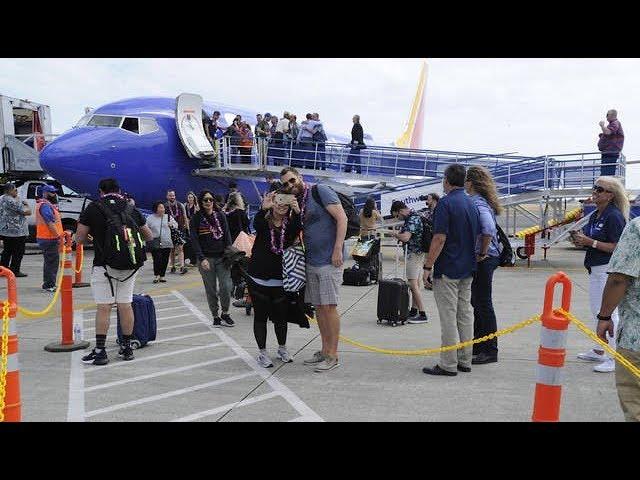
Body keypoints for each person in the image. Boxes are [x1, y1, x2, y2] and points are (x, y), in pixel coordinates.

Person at [76, 178, 153, 365]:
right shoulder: (130, 208)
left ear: (100, 191)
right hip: (129, 266)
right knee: (125, 305)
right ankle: (126, 348)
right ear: (119, 190)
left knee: (104, 307)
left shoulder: (93, 208)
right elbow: (149, 235)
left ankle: (101, 351)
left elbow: (79, 239)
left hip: (104, 265)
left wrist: (95, 239)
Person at [280, 167, 347, 372]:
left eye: (292, 180)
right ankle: (325, 350)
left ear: (299, 177)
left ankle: (333, 355)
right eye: (286, 184)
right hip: (312, 261)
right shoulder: (298, 202)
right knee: (318, 308)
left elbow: (341, 218)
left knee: (329, 306)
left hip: (329, 260)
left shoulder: (321, 190)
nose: (290, 186)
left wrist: (337, 249)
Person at [422, 164, 480, 376]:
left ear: (447, 180)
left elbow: (439, 238)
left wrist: (428, 265)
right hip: (467, 267)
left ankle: (448, 363)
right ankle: (465, 359)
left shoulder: (445, 204)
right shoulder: (472, 203)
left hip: (448, 268)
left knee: (448, 317)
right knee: (464, 315)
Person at [572, 176, 629, 373]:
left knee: (608, 312)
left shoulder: (613, 216)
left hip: (606, 269)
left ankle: (615, 356)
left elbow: (617, 247)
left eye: (599, 189)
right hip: (596, 268)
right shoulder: (597, 214)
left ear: (610, 195)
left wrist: (590, 242)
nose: (594, 192)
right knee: (597, 309)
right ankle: (599, 349)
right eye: (594, 188)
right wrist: (582, 241)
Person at [248, 191, 302, 367]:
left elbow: (299, 229)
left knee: (281, 317)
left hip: (281, 279)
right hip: (259, 278)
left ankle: (282, 348)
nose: (281, 205)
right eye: (278, 201)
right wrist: (263, 208)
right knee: (260, 317)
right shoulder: (264, 221)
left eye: (285, 203)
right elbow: (256, 224)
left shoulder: (291, 224)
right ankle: (262, 352)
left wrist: (298, 212)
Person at [596, 214, 640, 421]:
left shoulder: (637, 227)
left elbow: (619, 278)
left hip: (636, 336)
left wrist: (604, 316)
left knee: (635, 404)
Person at [465, 166, 503, 365]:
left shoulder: (477, 202)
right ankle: (480, 344)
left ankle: (489, 349)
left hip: (485, 259)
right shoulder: (483, 201)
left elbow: (487, 228)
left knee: (483, 303)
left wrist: (482, 252)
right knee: (478, 302)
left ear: (469, 183)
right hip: (489, 257)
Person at [190, 190, 235, 327]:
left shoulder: (220, 215)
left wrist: (230, 253)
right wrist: (201, 258)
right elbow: (194, 240)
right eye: (205, 200)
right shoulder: (196, 218)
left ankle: (225, 313)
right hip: (206, 259)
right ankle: (215, 315)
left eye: (210, 199)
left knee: (226, 287)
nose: (208, 202)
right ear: (201, 202)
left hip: (222, 257)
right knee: (210, 289)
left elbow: (227, 235)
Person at [390, 200, 428, 324]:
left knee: (412, 283)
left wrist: (395, 234)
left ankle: (422, 313)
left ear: (400, 211)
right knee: (416, 283)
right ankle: (414, 310)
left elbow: (406, 237)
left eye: (397, 215)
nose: (398, 218)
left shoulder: (412, 219)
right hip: (419, 253)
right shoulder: (415, 216)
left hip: (413, 254)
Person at [35, 184, 64, 292]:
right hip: (49, 238)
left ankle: (48, 283)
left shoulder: (46, 205)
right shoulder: (45, 206)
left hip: (47, 237)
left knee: (49, 262)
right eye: (52, 192)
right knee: (51, 263)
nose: (54, 194)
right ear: (46, 193)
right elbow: (50, 223)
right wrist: (58, 236)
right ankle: (49, 285)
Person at [0, 183, 31, 277]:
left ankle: (3, 269)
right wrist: (25, 204)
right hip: (16, 231)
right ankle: (15, 270)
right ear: (9, 191)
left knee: (7, 251)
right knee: (18, 252)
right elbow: (27, 212)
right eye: (15, 190)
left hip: (6, 230)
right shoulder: (11, 201)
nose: (16, 192)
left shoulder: (1, 198)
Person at [146, 201, 178, 283]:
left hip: (166, 241)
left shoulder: (168, 217)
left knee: (165, 259)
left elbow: (176, 225)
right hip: (155, 242)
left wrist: (172, 224)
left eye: (163, 207)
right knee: (157, 259)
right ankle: (157, 275)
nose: (162, 209)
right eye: (160, 207)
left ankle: (162, 276)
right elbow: (146, 228)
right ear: (156, 208)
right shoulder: (150, 218)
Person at [165, 190, 188, 275]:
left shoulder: (180, 205)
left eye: (173, 195)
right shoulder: (165, 206)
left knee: (180, 248)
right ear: (167, 196)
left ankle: (182, 267)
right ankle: (172, 266)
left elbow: (185, 216)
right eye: (170, 195)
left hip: (180, 229)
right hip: (169, 230)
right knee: (172, 249)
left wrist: (187, 227)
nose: (172, 197)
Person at [597, 109, 624, 177]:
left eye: (607, 115)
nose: (606, 117)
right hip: (608, 153)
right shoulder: (613, 124)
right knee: (606, 172)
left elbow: (608, 132)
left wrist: (602, 126)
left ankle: (603, 186)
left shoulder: (615, 123)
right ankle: (602, 185)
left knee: (607, 173)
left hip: (610, 153)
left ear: (612, 115)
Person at [184, 191, 199, 267]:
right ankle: (187, 259)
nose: (190, 199)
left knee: (194, 243)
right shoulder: (185, 205)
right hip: (187, 226)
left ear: (194, 198)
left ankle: (194, 260)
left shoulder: (196, 206)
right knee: (187, 243)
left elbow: (198, 216)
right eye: (189, 197)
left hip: (194, 226)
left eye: (191, 197)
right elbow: (184, 215)